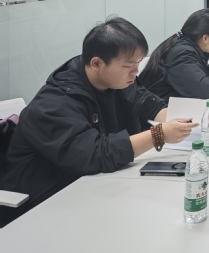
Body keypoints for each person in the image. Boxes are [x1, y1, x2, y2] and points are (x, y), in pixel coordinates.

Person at [0, 18, 197, 224]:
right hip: (43, 203)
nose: (136, 72)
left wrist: (192, 121)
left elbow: (148, 103)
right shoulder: (53, 104)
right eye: (128, 66)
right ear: (96, 63)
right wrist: (158, 135)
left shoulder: (116, 80)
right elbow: (95, 154)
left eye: (138, 63)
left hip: (95, 187)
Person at [139, 9, 209, 103]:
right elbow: (204, 90)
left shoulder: (185, 47)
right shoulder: (182, 54)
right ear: (205, 38)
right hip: (159, 107)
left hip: (170, 104)